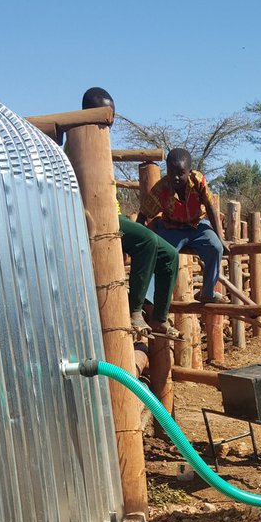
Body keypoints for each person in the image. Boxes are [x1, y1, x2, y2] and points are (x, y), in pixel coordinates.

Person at [81, 88, 180, 338]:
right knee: (146, 240)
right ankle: (134, 310)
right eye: (107, 113)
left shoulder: (101, 143)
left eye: (112, 113)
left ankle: (159, 317)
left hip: (116, 216)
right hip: (96, 219)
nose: (111, 119)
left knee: (169, 254)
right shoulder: (79, 142)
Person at [137, 148, 227, 302]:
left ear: (189, 171)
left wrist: (220, 237)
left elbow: (210, 207)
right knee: (161, 254)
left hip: (197, 226)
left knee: (215, 248)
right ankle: (149, 299)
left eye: (181, 173)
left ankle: (207, 293)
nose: (176, 177)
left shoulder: (198, 181)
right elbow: (144, 213)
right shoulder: (161, 188)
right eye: (172, 173)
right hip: (171, 228)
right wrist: (137, 239)